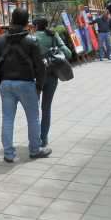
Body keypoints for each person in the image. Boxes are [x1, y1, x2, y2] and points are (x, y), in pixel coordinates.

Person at [0, 8, 50, 163]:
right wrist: (39, 86)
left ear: (11, 19)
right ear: (27, 22)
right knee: (33, 118)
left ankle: (8, 154)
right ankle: (35, 150)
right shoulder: (32, 40)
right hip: (26, 83)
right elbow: (40, 66)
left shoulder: (1, 40)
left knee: (7, 118)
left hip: (5, 84)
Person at [34, 18, 72, 149]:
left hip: (36, 78)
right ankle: (44, 139)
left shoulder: (32, 37)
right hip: (52, 76)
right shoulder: (53, 35)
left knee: (34, 109)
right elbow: (68, 53)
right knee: (46, 108)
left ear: (36, 26)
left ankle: (35, 138)